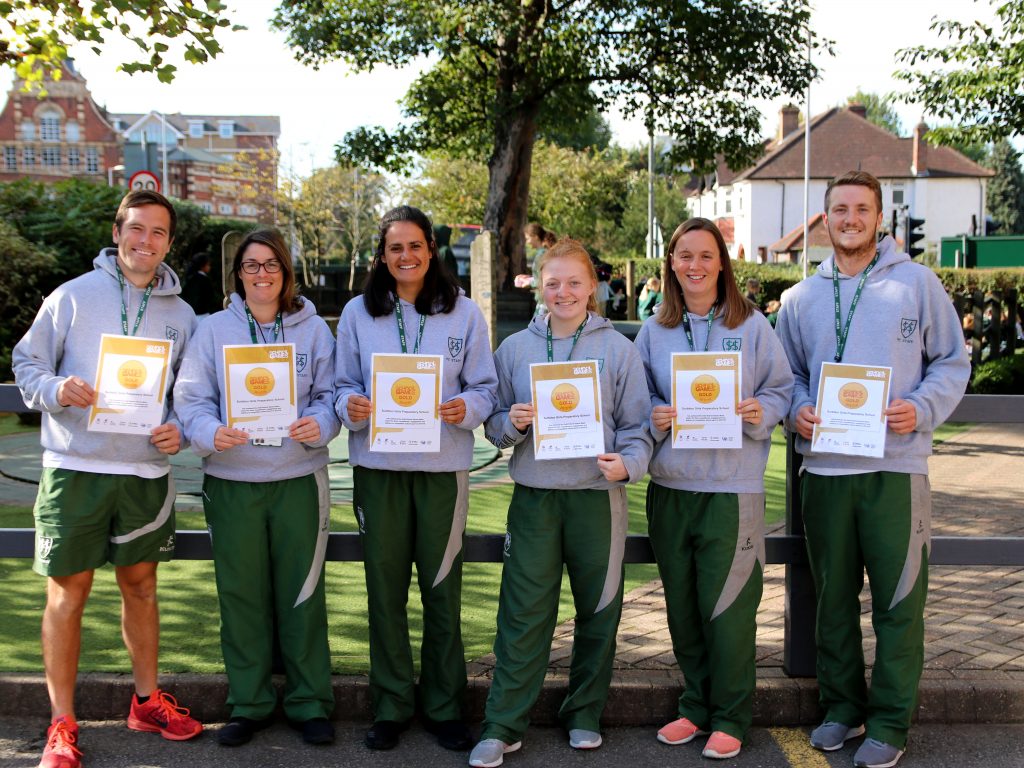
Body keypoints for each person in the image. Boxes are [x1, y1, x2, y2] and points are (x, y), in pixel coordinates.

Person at [775, 171, 970, 768]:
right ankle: (841, 709)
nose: (851, 218)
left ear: (880, 218)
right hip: (827, 474)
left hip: (896, 470)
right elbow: (784, 379)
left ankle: (888, 722)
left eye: (862, 209)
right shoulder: (802, 297)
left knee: (898, 600)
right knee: (832, 601)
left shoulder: (916, 284)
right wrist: (797, 410)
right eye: (840, 209)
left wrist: (923, 407)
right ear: (825, 218)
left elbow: (952, 361)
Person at [12, 190, 202, 768]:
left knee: (141, 587)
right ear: (117, 232)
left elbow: (191, 397)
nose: (146, 242)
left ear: (170, 242)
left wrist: (179, 429)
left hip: (144, 471)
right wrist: (54, 391)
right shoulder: (71, 297)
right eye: (136, 230)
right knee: (68, 593)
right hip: (76, 467)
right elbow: (28, 363)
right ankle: (61, 724)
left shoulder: (183, 315)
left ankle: (146, 702)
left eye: (158, 233)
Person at [470, 238, 653, 768]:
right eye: (553, 283)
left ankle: (584, 713)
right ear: (539, 286)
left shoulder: (619, 348)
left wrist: (629, 464)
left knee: (599, 608)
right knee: (523, 614)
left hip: (597, 498)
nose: (564, 292)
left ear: (592, 286)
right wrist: (513, 423)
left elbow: (639, 429)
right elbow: (495, 428)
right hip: (535, 499)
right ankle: (503, 723)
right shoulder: (514, 349)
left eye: (574, 282)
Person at [335, 205, 499, 753]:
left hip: (440, 472)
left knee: (441, 590)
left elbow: (485, 388)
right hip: (378, 471)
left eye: (414, 246)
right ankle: (391, 705)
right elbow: (341, 388)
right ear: (380, 257)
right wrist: (351, 405)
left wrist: (465, 408)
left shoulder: (465, 314)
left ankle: (445, 706)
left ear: (431, 249)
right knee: (384, 593)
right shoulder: (359, 313)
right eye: (394, 248)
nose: (405, 256)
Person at [634, 218, 793, 760]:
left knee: (726, 609)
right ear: (671, 263)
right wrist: (654, 416)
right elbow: (637, 406)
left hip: (732, 489)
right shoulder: (654, 331)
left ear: (722, 262)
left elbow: (783, 388)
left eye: (705, 255)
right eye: (684, 256)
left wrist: (761, 409)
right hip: (671, 487)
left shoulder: (750, 326)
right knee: (681, 608)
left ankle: (730, 715)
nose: (695, 265)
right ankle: (695, 708)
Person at [173, 229, 340, 747]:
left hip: (297, 478)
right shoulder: (213, 330)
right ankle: (249, 704)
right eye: (251, 266)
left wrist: (322, 423)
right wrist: (207, 432)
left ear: (286, 272)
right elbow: (192, 398)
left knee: (302, 594)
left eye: (271, 264)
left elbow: (332, 393)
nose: (262, 274)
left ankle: (310, 702)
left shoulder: (314, 332)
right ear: (238, 274)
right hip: (231, 480)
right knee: (241, 596)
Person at [181, 253, 221, 318]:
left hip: (189, 315)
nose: (209, 267)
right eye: (208, 265)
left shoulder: (189, 278)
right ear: (203, 266)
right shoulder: (205, 280)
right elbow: (210, 297)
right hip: (203, 314)